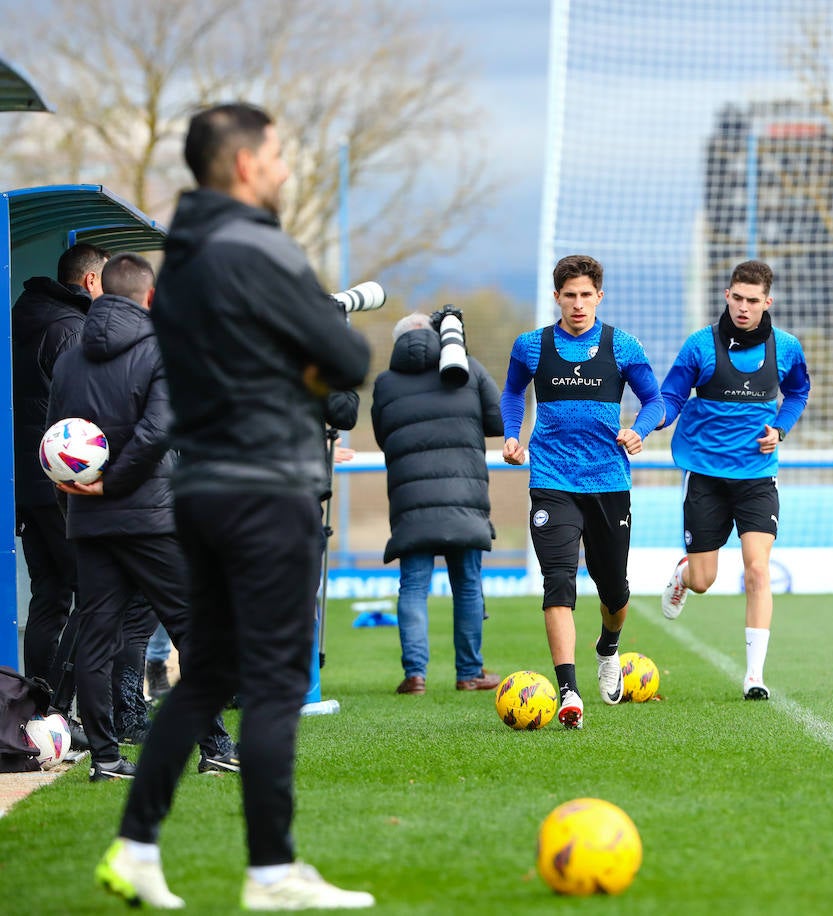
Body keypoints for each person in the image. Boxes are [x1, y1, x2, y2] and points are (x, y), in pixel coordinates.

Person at [93, 103, 373, 910]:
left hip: (201, 489)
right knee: (278, 680)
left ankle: (136, 847)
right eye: (280, 154)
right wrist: (306, 367)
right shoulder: (259, 245)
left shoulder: (176, 261)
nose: (286, 168)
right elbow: (348, 353)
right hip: (268, 487)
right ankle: (271, 873)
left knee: (206, 674)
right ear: (246, 164)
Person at [48, 252, 238, 780]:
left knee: (96, 636)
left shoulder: (68, 358)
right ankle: (216, 747)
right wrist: (117, 483)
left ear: (99, 291)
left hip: (88, 520)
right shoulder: (161, 351)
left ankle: (105, 759)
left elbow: (53, 443)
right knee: (189, 628)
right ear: (148, 297)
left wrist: (80, 494)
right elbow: (158, 433)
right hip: (149, 517)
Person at [501, 254, 664, 729]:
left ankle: (608, 647)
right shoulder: (531, 346)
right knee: (558, 580)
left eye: (585, 295)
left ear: (599, 296)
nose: (577, 304)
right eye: (568, 295)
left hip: (609, 481)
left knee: (613, 589)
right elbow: (513, 393)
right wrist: (513, 434)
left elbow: (654, 400)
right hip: (551, 479)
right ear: (557, 297)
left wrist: (640, 430)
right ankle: (569, 690)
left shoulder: (623, 345)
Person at [658, 259, 811, 700]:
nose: (744, 308)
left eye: (753, 301)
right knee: (705, 580)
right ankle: (685, 575)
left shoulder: (786, 348)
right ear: (727, 296)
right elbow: (671, 395)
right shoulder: (699, 346)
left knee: (757, 568)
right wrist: (654, 421)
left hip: (757, 476)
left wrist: (779, 428)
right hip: (704, 474)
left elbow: (798, 391)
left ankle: (754, 677)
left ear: (768, 301)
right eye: (737, 298)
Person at [372, 312, 504, 695]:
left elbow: (385, 437)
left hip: (411, 500)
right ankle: (469, 674)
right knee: (467, 585)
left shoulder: (385, 383)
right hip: (465, 496)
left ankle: (415, 675)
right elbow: (496, 421)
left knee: (413, 586)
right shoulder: (469, 369)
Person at [11, 243, 107, 685]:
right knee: (91, 595)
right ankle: (68, 709)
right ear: (90, 280)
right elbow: (86, 412)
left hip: (26, 482)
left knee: (49, 596)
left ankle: (40, 705)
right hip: (63, 482)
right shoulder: (72, 328)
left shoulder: (21, 315)